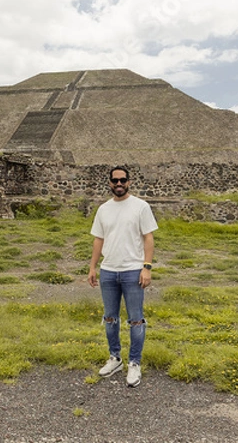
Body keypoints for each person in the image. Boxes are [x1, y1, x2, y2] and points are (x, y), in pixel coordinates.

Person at [87, 165, 158, 387]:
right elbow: (99, 239)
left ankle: (134, 363)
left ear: (129, 182)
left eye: (123, 180)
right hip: (109, 271)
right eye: (115, 181)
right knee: (110, 318)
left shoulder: (140, 206)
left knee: (136, 319)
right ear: (109, 183)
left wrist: (147, 267)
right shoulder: (103, 209)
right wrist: (92, 267)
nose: (119, 184)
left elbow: (148, 238)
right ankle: (115, 358)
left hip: (132, 271)